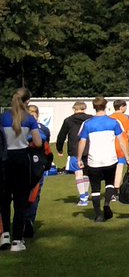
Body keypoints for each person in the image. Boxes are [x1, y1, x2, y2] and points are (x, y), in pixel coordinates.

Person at [2, 88, 45, 252]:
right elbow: (38, 142)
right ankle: (17, 241)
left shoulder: (3, 117)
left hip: (4, 160)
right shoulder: (29, 119)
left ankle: (4, 234)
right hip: (21, 160)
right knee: (20, 202)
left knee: (4, 200)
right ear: (27, 101)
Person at [77, 97, 129, 223]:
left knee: (95, 189)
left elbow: (82, 141)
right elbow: (122, 141)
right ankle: (106, 204)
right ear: (106, 106)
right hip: (110, 160)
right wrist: (127, 157)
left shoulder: (87, 123)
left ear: (94, 107)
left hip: (93, 161)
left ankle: (98, 215)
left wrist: (79, 158)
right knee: (110, 184)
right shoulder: (114, 122)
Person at [23, 104, 53, 240]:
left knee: (19, 195)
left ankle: (18, 222)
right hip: (37, 166)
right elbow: (47, 149)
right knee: (34, 195)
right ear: (38, 115)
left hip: (20, 162)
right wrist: (46, 165)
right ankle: (29, 220)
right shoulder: (44, 129)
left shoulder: (19, 126)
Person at [56, 101, 93, 207]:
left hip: (75, 150)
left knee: (78, 173)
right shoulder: (90, 119)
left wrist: (59, 148)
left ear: (74, 109)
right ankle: (85, 195)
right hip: (89, 148)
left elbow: (61, 135)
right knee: (86, 173)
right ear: (84, 108)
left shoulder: (68, 120)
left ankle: (83, 198)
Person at [110, 100, 129, 189]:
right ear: (121, 107)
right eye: (125, 107)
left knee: (111, 168)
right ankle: (116, 189)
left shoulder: (109, 118)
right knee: (120, 167)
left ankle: (109, 187)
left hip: (110, 145)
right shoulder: (127, 117)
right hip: (121, 145)